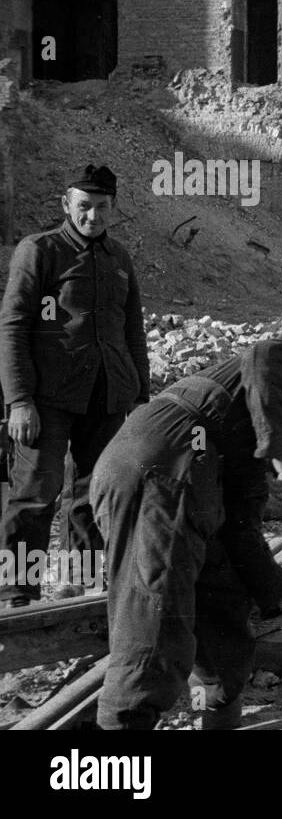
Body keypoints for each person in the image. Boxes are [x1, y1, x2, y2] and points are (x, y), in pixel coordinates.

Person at [92, 338, 282, 729]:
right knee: (157, 620)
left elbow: (242, 529)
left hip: (189, 475)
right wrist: (280, 451)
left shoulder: (267, 427)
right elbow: (266, 357)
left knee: (224, 601)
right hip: (165, 463)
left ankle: (218, 708)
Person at [0, 165, 149, 608]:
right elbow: (12, 326)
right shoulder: (39, 251)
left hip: (106, 396)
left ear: (113, 209)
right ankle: (15, 595)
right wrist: (20, 401)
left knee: (90, 494)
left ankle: (81, 585)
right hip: (48, 399)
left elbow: (133, 330)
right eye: (84, 206)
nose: (92, 217)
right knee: (35, 495)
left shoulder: (119, 259)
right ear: (66, 205)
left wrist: (140, 396)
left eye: (102, 208)